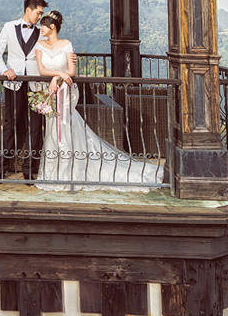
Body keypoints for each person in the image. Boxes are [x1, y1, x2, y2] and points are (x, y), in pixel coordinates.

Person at [33, 11, 165, 191]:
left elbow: (72, 71)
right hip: (51, 92)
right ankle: (54, 173)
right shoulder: (40, 46)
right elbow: (41, 70)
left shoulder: (66, 45)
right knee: (52, 129)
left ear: (52, 27)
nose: (40, 29)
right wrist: (58, 75)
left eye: (43, 26)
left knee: (65, 126)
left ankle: (69, 173)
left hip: (65, 91)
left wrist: (60, 77)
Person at [0, 0, 50, 179]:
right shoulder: (9, 27)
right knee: (11, 123)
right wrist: (4, 70)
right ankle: (1, 167)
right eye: (38, 13)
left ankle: (30, 169)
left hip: (36, 84)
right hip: (13, 83)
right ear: (28, 10)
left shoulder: (42, 32)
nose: (40, 17)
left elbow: (48, 54)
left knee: (35, 126)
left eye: (41, 14)